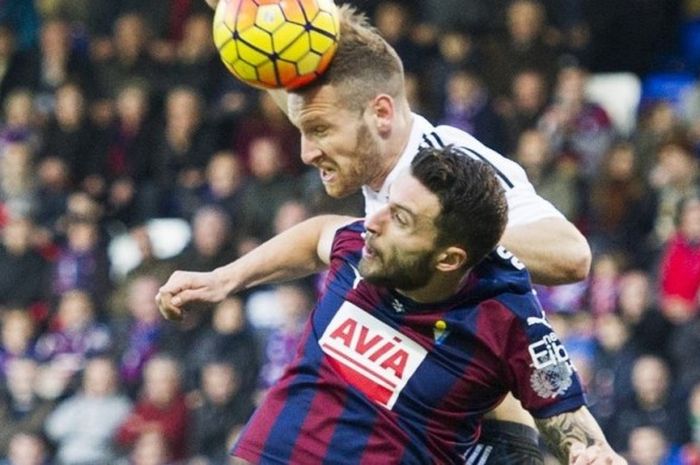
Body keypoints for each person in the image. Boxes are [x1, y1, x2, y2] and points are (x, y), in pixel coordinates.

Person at [163, 4, 593, 464]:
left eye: (319, 130)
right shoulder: (363, 146)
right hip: (399, 404)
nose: (307, 151)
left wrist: (447, 223)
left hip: (482, 432)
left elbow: (572, 257)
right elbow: (320, 235)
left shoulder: (444, 168)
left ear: (380, 114)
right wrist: (224, 280)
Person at [159, 146, 623, 464]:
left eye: (399, 217)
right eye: (387, 205)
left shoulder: (509, 319)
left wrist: (593, 454)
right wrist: (224, 279)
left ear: (449, 258)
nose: (372, 223)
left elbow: (570, 422)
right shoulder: (365, 245)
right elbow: (318, 234)